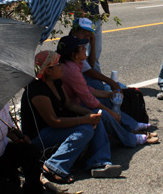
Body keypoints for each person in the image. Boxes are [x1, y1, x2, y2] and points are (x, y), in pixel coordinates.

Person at [20, 50, 122, 184]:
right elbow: (54, 121)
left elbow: (69, 104)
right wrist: (84, 120)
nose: (62, 66)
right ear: (48, 71)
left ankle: (99, 163)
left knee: (94, 120)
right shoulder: (37, 90)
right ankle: (54, 166)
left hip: (55, 129)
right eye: (58, 65)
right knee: (86, 129)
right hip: (40, 136)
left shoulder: (56, 82)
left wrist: (88, 114)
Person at [57, 35, 158, 146]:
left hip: (77, 102)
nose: (85, 49)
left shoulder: (73, 65)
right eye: (82, 48)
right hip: (73, 109)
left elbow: (86, 89)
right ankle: (130, 138)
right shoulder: (71, 70)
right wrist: (112, 114)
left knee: (109, 100)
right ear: (74, 55)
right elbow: (89, 99)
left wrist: (109, 94)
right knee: (103, 113)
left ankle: (132, 126)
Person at [69, 17, 125, 92]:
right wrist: (111, 82)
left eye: (88, 35)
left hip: (81, 76)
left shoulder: (82, 43)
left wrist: (93, 45)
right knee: (97, 86)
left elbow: (90, 66)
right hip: (73, 82)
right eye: (83, 33)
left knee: (97, 83)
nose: (86, 37)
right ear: (73, 32)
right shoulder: (73, 46)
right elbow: (89, 71)